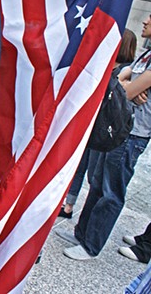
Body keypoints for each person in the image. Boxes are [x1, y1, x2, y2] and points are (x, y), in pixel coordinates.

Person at [57, 15, 151, 261]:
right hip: (115, 128)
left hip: (131, 134)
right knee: (97, 182)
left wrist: (126, 84)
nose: (146, 20)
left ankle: (92, 245)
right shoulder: (145, 56)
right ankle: (82, 234)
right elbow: (120, 80)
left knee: (111, 191)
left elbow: (124, 89)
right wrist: (126, 83)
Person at [58, 28, 137, 219]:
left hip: (118, 131)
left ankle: (89, 241)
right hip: (101, 127)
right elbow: (126, 81)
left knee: (105, 186)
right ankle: (71, 208)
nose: (145, 21)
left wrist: (126, 85)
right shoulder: (133, 64)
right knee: (90, 176)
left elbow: (131, 89)